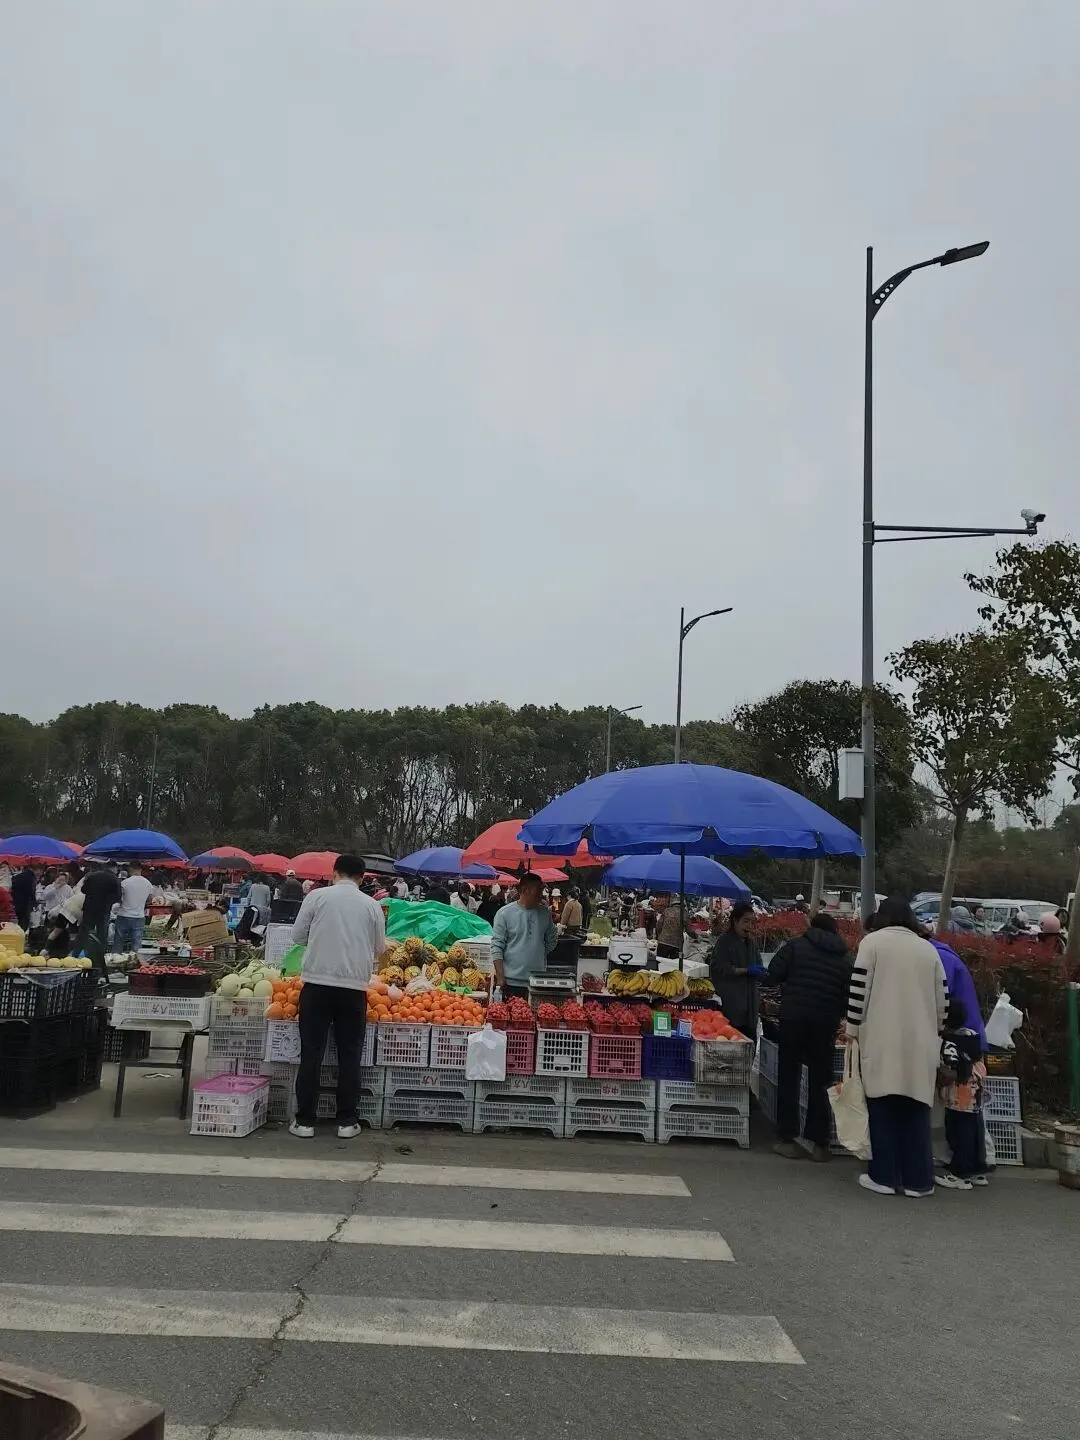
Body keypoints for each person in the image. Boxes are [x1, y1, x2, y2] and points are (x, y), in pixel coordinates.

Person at [847, 899, 948, 1198]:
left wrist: (852, 1029)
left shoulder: (872, 943)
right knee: (916, 1110)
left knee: (882, 1106)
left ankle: (883, 1176)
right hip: (922, 1042)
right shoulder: (928, 949)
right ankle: (919, 1181)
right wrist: (936, 1032)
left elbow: (858, 990)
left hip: (881, 1037)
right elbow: (943, 1001)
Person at [289, 853, 386, 1140]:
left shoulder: (316, 897)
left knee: (311, 1053)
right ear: (362, 877)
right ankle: (347, 1121)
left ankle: (305, 1121)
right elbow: (380, 947)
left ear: (334, 873)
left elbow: (297, 936)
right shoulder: (372, 905)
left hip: (316, 986)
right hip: (354, 989)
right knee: (349, 1055)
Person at [767, 911, 853, 1162]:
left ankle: (787, 1140)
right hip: (825, 1024)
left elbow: (773, 973)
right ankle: (820, 1144)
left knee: (789, 1076)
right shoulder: (844, 959)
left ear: (812, 927)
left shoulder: (795, 946)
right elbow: (848, 997)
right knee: (821, 1081)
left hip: (793, 1019)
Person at [936, 999, 989, 1190]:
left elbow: (951, 1068)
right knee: (976, 1132)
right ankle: (978, 1170)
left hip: (958, 1095)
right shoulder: (972, 1036)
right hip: (976, 1092)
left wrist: (940, 1079)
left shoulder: (949, 1041)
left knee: (958, 1134)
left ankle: (960, 1174)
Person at [491, 872, 557, 999]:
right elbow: (496, 947)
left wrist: (538, 952)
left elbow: (552, 939)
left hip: (538, 981)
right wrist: (500, 977)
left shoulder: (544, 913)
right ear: (526, 890)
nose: (541, 895)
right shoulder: (504, 914)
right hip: (511, 982)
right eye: (538, 890)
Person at [709, 901, 767, 1037]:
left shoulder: (752, 943)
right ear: (735, 921)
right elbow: (720, 967)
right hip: (731, 1002)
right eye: (746, 921)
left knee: (749, 1040)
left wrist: (761, 972)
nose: (749, 926)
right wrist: (746, 970)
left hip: (750, 1004)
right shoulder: (725, 941)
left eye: (752, 922)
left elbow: (758, 964)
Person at [927, 934, 987, 1051]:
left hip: (961, 1038)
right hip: (965, 1033)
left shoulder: (938, 957)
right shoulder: (941, 954)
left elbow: (938, 999)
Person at [77, 863, 122, 980]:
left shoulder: (92, 876)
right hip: (103, 910)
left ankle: (78, 956)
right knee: (102, 935)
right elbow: (117, 897)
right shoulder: (114, 879)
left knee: (85, 932)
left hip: (89, 908)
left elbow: (83, 889)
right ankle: (99, 962)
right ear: (114, 868)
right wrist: (107, 901)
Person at [114, 861, 154, 953]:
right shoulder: (148, 883)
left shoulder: (125, 883)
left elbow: (119, 898)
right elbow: (150, 899)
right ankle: (136, 959)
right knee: (136, 943)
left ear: (130, 869)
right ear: (140, 869)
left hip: (123, 915)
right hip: (139, 916)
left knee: (119, 942)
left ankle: (115, 958)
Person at [655, 894, 691, 959]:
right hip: (676, 945)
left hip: (663, 942)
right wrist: (697, 937)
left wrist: (658, 936)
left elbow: (658, 925)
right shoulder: (684, 913)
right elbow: (689, 931)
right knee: (674, 964)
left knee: (660, 961)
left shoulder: (667, 911)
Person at [11, 865, 37, 932]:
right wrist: (34, 903)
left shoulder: (17, 876)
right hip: (25, 905)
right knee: (23, 925)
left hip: (15, 903)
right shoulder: (31, 877)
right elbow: (31, 892)